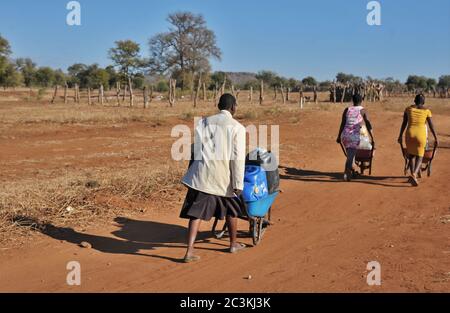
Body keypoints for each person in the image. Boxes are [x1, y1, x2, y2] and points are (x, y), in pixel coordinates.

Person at [180, 93, 247, 263]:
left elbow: (195, 149)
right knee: (232, 209)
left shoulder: (203, 122)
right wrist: (238, 183)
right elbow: (237, 157)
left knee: (195, 214)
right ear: (233, 107)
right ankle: (233, 244)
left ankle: (189, 251)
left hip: (202, 174)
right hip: (223, 177)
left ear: (219, 106)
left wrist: (191, 171)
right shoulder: (237, 127)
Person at [398, 94, 438, 186]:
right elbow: (431, 126)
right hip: (421, 135)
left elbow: (404, 123)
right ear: (423, 102)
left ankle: (413, 176)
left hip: (409, 134)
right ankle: (414, 174)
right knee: (420, 156)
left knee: (411, 155)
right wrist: (436, 137)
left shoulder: (408, 109)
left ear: (414, 100)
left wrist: (400, 135)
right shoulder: (427, 111)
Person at [336, 94, 374, 181]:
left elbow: (342, 124)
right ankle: (346, 172)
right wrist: (372, 137)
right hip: (354, 136)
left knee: (350, 155)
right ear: (362, 101)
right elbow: (368, 124)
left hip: (345, 136)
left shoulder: (347, 109)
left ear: (353, 100)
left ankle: (352, 170)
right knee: (350, 157)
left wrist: (339, 136)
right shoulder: (363, 110)